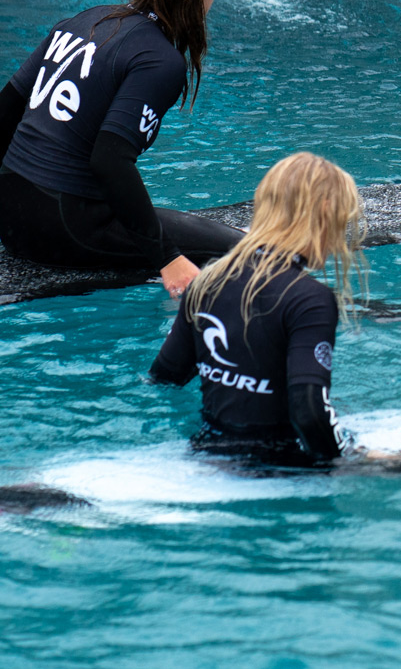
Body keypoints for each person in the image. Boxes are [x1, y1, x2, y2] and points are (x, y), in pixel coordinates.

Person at [0, 0, 240, 295]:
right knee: (249, 252)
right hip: (62, 229)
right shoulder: (160, 60)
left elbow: (2, 113)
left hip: (10, 214)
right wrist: (168, 259)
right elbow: (110, 161)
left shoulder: (87, 21)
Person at [149, 152, 363, 464]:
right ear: (324, 217)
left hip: (206, 450)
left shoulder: (206, 282)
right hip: (280, 467)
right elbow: (309, 410)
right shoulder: (309, 299)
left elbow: (163, 378)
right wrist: (351, 457)